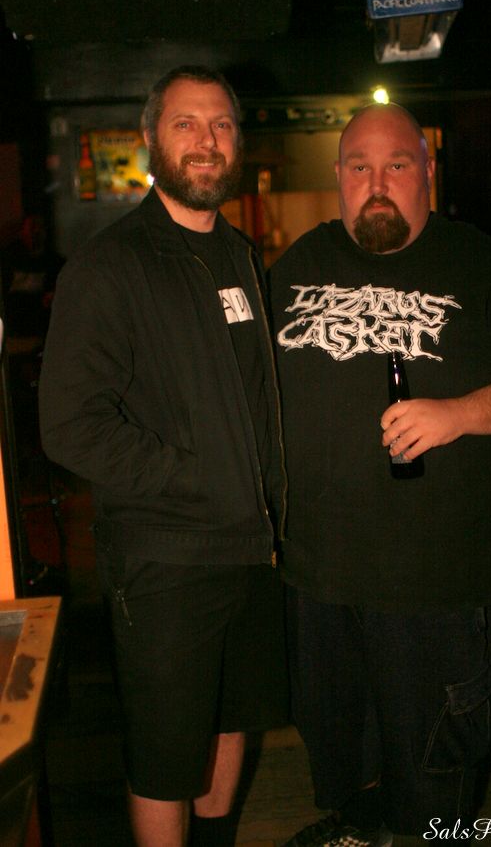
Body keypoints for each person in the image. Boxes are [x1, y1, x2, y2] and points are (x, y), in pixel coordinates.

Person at [269, 103, 491, 846]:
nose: (377, 184)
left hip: (432, 583)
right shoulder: (300, 265)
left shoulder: (478, 264)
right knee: (338, 743)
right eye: (360, 167)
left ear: (428, 173)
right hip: (317, 577)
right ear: (339, 177)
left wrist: (459, 414)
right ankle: (356, 827)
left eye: (397, 165)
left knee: (433, 765)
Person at [39, 66, 288, 847]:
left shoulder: (240, 254)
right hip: (165, 558)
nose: (206, 141)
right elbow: (69, 426)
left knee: (229, 720)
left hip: (249, 549)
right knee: (163, 755)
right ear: (151, 140)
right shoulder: (110, 265)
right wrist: (193, 476)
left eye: (221, 124)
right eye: (186, 124)